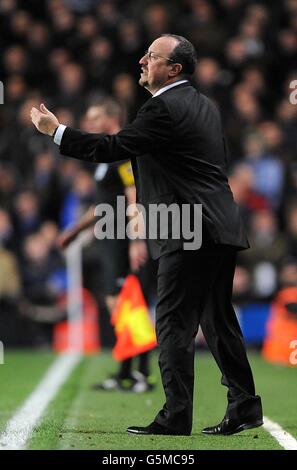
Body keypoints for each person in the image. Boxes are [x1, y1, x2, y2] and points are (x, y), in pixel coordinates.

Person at [31, 33, 263, 436]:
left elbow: (114, 147)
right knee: (218, 320)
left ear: (173, 69)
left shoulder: (163, 108)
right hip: (219, 224)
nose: (141, 60)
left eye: (152, 56)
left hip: (187, 226)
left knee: (173, 323)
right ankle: (244, 405)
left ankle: (176, 416)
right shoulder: (204, 105)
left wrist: (57, 132)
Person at [57, 98, 155, 392]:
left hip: (122, 238)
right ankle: (125, 372)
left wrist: (136, 239)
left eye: (95, 116)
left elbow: (133, 195)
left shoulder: (123, 153)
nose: (89, 123)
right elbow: (103, 205)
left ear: (112, 118)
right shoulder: (105, 158)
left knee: (129, 306)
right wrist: (75, 230)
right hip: (109, 240)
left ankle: (142, 373)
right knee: (119, 307)